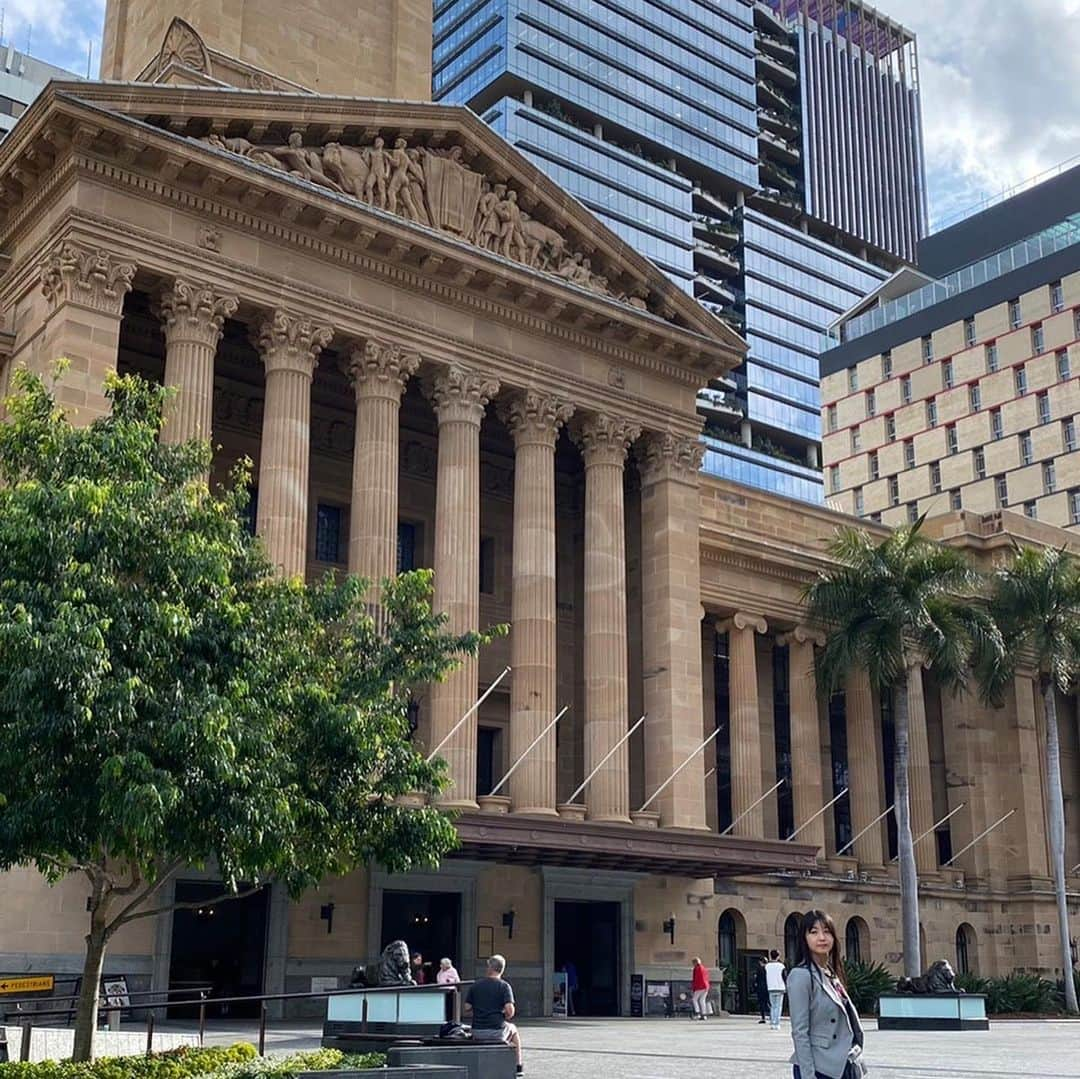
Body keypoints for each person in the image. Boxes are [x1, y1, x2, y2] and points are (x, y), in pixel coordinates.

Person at [788, 910, 865, 1079]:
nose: (822, 938)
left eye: (827, 931)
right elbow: (799, 1032)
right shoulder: (801, 975)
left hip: (843, 1064)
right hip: (819, 1067)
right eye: (814, 932)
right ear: (804, 938)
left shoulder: (831, 973)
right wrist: (808, 1075)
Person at [465, 954, 524, 1076]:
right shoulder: (504, 986)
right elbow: (510, 1011)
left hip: (477, 1030)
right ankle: (518, 1066)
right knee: (513, 1030)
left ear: (490, 968)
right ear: (502, 969)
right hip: (496, 1030)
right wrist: (505, 1016)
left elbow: (467, 1007)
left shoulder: (476, 985)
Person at [766, 948, 787, 1030]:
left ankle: (772, 1022)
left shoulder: (767, 966)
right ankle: (777, 1023)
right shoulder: (781, 966)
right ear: (778, 956)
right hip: (780, 987)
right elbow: (784, 976)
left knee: (773, 1006)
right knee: (778, 1006)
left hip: (770, 987)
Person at [755, 956, 769, 1024]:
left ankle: (763, 1017)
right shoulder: (768, 969)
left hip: (761, 988)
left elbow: (757, 980)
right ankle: (773, 1017)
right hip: (768, 987)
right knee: (770, 1003)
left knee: (762, 1003)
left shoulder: (759, 969)